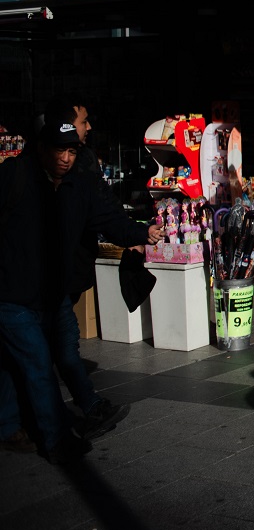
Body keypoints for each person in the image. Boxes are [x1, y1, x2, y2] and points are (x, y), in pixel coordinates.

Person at [0, 105, 159, 463]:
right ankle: (57, 441)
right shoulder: (15, 176)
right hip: (12, 295)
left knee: (15, 362)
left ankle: (9, 427)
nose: (66, 158)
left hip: (52, 293)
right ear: (42, 148)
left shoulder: (78, 185)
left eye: (72, 151)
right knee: (39, 364)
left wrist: (140, 232)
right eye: (60, 150)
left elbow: (107, 217)